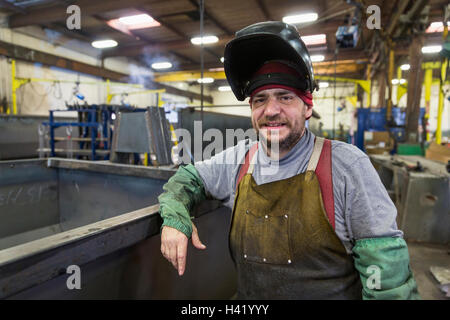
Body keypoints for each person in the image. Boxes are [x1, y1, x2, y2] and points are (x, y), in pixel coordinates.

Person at [158, 21, 420, 300]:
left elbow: (387, 280)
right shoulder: (239, 160)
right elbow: (187, 178)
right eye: (260, 99)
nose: (271, 110)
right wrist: (175, 219)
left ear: (307, 107)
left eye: (285, 97)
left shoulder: (347, 166)